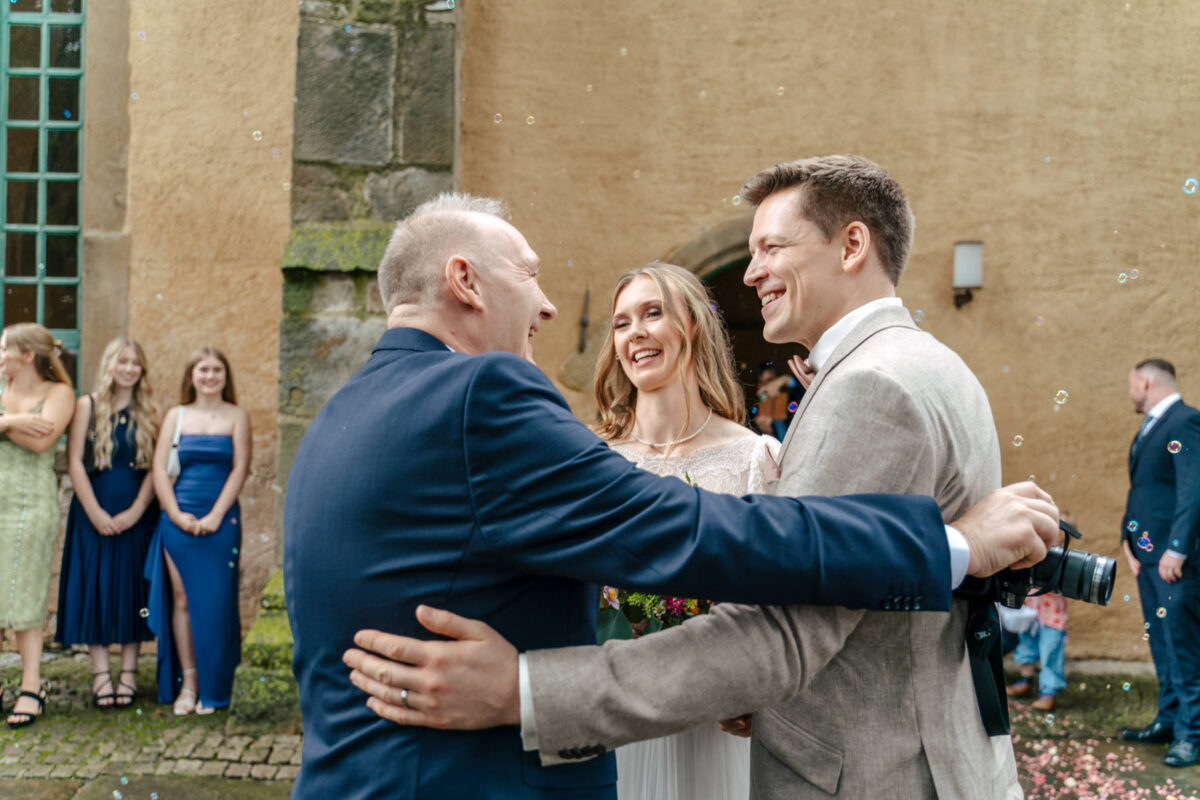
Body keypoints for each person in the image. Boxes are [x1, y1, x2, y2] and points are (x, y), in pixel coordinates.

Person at [285, 191, 1058, 800]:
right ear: (464, 280)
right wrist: (952, 543)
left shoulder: (336, 416)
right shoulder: (482, 395)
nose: (550, 306)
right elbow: (699, 534)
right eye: (529, 273)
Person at [596, 263, 779, 800]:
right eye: (621, 323)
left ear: (692, 326)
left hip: (715, 718)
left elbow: (777, 597)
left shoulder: (755, 458)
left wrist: (757, 687)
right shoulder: (591, 461)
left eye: (654, 313)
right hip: (614, 709)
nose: (636, 334)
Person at [145, 347, 250, 715]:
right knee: (182, 599)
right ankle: (188, 684)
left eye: (216, 370)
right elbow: (159, 470)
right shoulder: (176, 416)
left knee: (218, 602)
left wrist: (216, 515)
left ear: (225, 376)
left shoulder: (237, 416)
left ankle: (214, 686)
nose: (209, 376)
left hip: (221, 521)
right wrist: (175, 515)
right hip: (179, 519)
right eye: (202, 369)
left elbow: (240, 469)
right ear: (191, 376)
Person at [57, 338, 160, 709]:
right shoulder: (87, 405)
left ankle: (129, 673)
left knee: (134, 591)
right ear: (110, 366)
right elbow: (73, 463)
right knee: (96, 588)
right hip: (93, 511)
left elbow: (156, 468)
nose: (129, 368)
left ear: (142, 369)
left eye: (136, 362)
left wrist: (136, 510)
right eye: (122, 361)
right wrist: (96, 514)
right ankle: (102, 675)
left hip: (138, 514)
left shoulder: (151, 410)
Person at [1118, 358, 1200, 768]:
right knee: (1163, 643)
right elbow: (1145, 489)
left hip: (1172, 560)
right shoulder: (1150, 427)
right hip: (1147, 557)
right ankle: (1168, 721)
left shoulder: (1186, 422)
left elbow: (1193, 487)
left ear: (1145, 381)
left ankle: (1191, 735)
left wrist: (1178, 548)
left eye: (1131, 383)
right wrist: (1128, 540)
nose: (1129, 390)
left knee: (1183, 646)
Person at [0, 323, 75, 728]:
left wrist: (2, 422)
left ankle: (32, 685)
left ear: (28, 356)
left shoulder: (59, 393)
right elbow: (27, 430)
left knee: (27, 597)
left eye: (3, 350)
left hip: (30, 506)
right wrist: (13, 422)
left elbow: (42, 440)